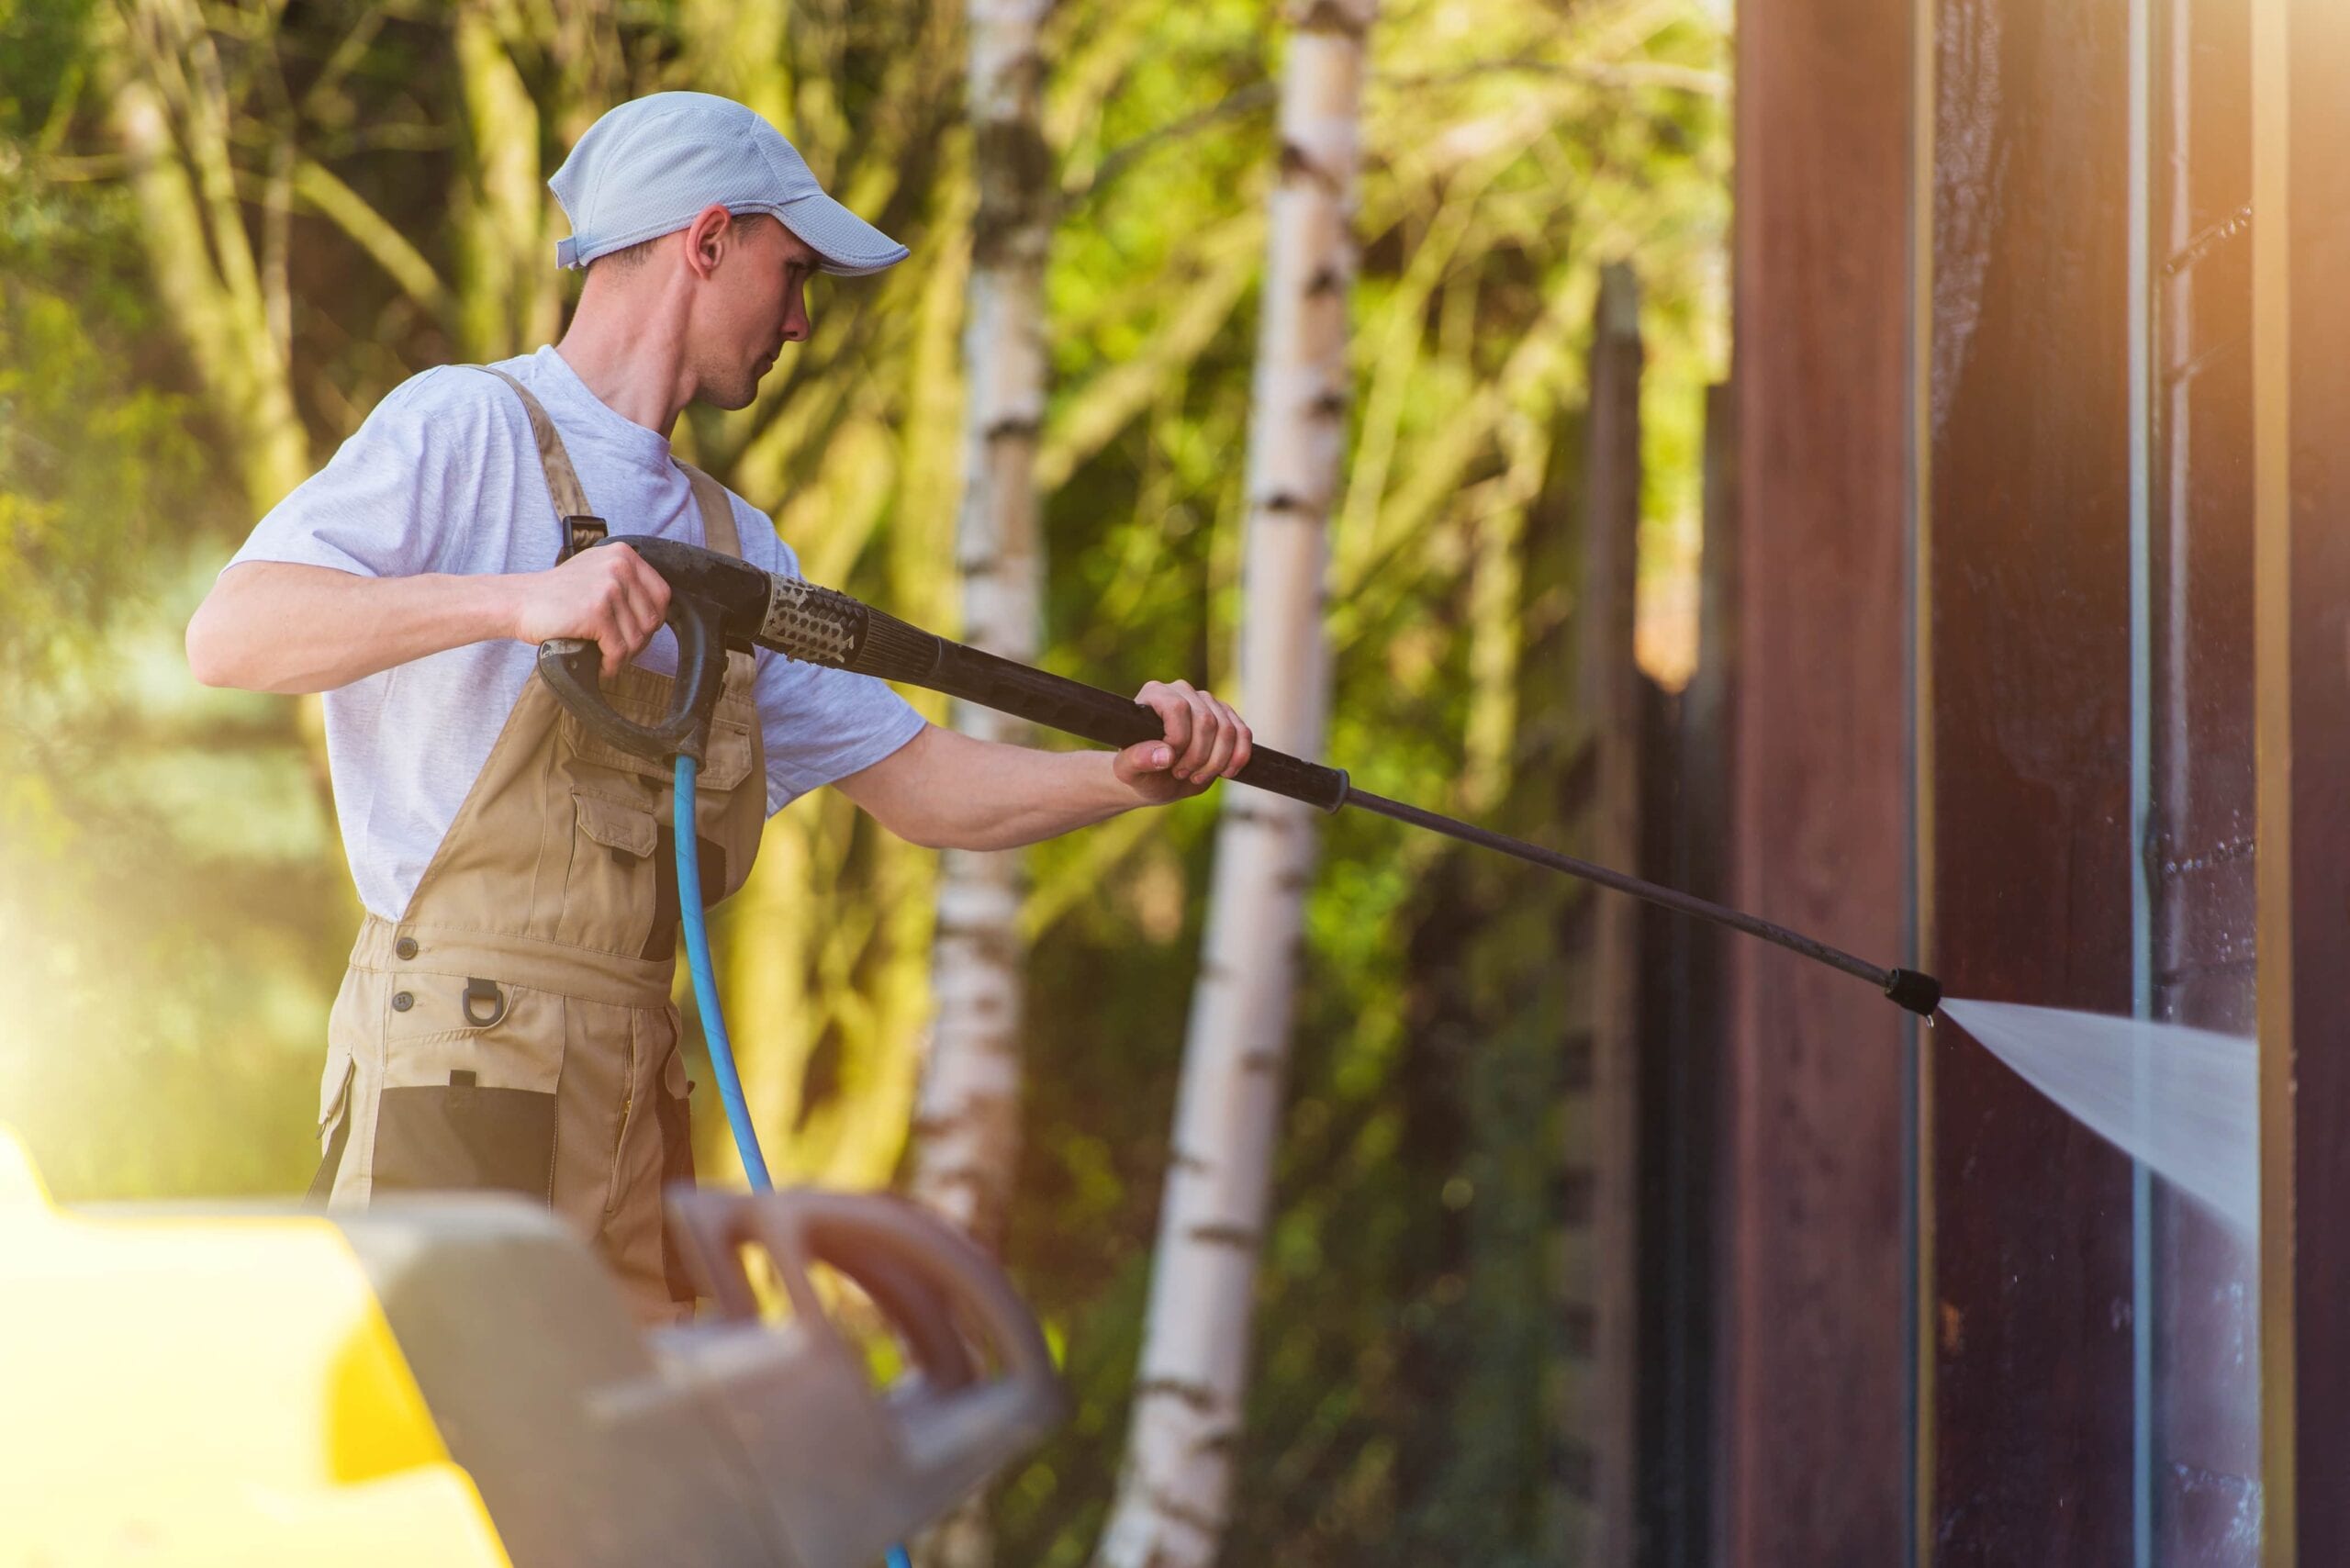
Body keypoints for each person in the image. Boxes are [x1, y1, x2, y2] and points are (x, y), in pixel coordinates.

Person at [185, 92, 1253, 1325]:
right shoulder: (465, 425)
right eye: (792, 272)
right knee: (450, 1486)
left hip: (641, 1099)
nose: (802, 318)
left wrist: (1120, 779)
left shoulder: (737, 550)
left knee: (654, 1498)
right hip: (460, 1071)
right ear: (706, 242)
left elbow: (919, 784)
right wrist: (520, 600)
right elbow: (234, 632)